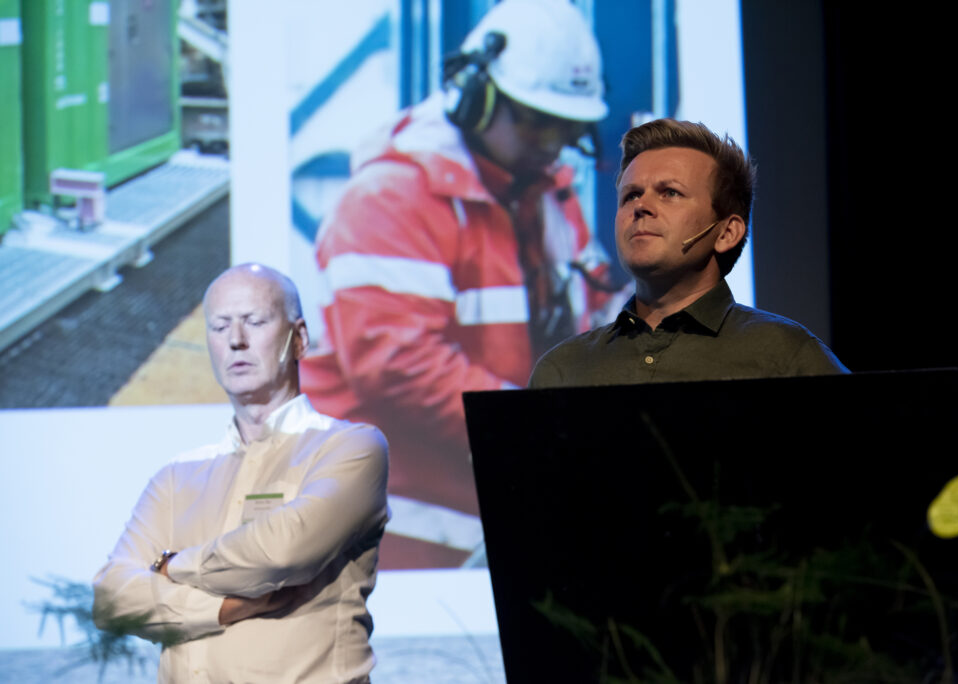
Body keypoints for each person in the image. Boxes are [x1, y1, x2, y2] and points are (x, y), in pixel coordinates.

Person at [300, 0, 615, 567]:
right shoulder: (391, 199)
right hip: (401, 539)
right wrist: (538, 436)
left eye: (567, 125)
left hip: (490, 514)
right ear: (476, 96)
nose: (552, 140)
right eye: (536, 118)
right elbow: (398, 364)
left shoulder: (547, 197)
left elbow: (593, 315)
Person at [93, 264, 389, 684]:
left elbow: (282, 552)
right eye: (219, 326)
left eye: (255, 321)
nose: (236, 340)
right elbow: (111, 599)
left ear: (299, 338)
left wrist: (172, 565)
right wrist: (225, 607)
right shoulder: (177, 476)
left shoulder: (349, 448)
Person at [529, 119, 848, 388]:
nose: (640, 206)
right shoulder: (563, 371)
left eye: (670, 193)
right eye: (631, 195)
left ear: (726, 232)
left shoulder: (786, 358)